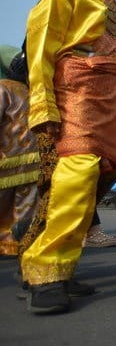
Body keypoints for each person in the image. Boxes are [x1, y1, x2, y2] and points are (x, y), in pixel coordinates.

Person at [20, 0, 116, 314]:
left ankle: (59, 268)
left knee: (95, 182)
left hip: (107, 98)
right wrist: (43, 106)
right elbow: (40, 54)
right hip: (74, 93)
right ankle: (45, 272)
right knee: (76, 175)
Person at [0, 45, 40, 257]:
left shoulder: (2, 88)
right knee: (25, 205)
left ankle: (4, 243)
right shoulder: (32, 91)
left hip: (7, 159)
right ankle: (22, 243)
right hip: (33, 159)